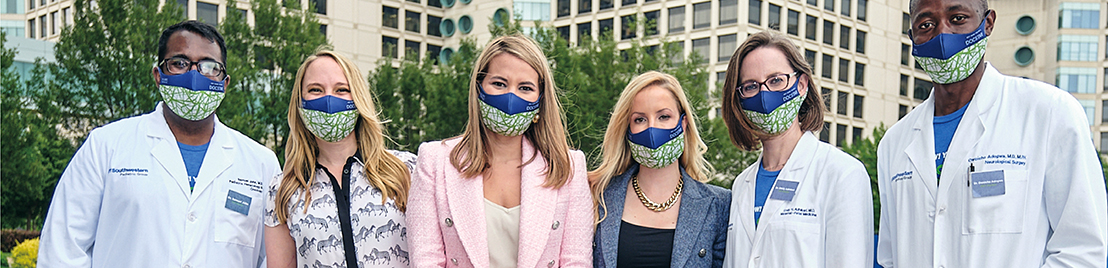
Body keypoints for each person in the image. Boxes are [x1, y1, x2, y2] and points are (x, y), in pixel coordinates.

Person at [876, 0, 1108, 267]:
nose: (942, 35)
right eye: (926, 25)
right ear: (912, 38)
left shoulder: (1050, 113)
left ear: (988, 23)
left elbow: (1081, 250)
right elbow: (891, 257)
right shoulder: (894, 143)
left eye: (958, 18)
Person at [37, 20, 280, 267]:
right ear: (158, 75)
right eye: (179, 63)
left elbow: (273, 258)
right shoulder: (106, 146)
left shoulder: (260, 163)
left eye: (209, 67)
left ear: (225, 83)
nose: (194, 75)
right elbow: (63, 248)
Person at [407, 34, 593, 268]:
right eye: (499, 84)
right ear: (478, 89)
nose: (511, 97)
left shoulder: (568, 167)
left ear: (540, 101)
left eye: (525, 88)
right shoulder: (435, 161)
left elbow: (576, 262)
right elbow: (426, 260)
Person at [719, 31, 873, 267]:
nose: (764, 94)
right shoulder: (741, 184)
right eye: (750, 86)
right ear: (739, 99)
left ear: (801, 85)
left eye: (776, 80)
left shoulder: (842, 174)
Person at [263, 50, 417, 268]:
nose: (328, 100)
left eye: (341, 90)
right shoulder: (283, 187)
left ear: (358, 98)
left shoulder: (406, 169)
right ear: (300, 102)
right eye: (315, 90)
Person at [589, 71, 730, 268]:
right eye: (640, 119)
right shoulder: (598, 196)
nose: (652, 129)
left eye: (664, 116)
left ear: (683, 123)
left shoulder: (719, 205)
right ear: (627, 128)